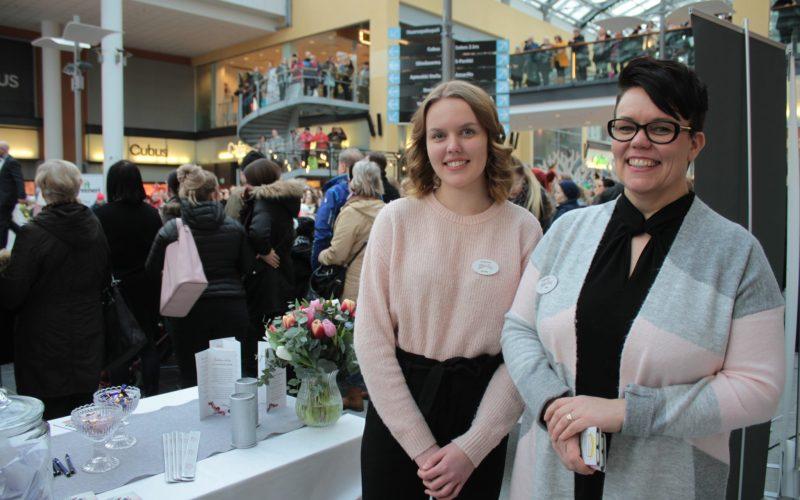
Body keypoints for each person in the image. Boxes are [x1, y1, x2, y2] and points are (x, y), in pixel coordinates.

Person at [501, 57, 785, 499]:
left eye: (661, 128)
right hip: (549, 475)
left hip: (666, 483)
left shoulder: (736, 254)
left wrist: (626, 413)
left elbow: (758, 388)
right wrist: (554, 406)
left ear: (695, 144)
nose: (639, 142)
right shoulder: (567, 231)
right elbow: (518, 329)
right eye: (626, 127)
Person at [354, 80, 542, 499]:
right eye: (438, 135)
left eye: (467, 131)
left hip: (480, 420)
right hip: (398, 415)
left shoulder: (523, 229)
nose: (452, 147)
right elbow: (371, 339)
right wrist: (422, 450)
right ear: (424, 146)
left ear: (490, 138)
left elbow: (525, 349)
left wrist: (472, 448)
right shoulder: (395, 220)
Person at [0, 160, 109, 419]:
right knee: (83, 416)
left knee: (48, 418)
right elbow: (104, 278)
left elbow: (12, 294)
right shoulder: (94, 226)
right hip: (88, 335)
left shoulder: (33, 234)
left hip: (43, 344)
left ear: (44, 190)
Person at [146, 164, 253, 388]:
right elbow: (247, 266)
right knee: (231, 377)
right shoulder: (234, 228)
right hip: (230, 306)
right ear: (215, 193)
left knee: (191, 378)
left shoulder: (171, 229)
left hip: (187, 308)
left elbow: (151, 269)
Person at [94, 160, 164, 396]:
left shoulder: (101, 215)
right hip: (147, 286)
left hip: (117, 287)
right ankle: (152, 394)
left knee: (120, 347)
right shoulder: (151, 214)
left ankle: (120, 398)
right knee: (148, 344)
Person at [237, 159, 303, 377]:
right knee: (279, 331)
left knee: (261, 332)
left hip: (265, 279)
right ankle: (280, 380)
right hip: (282, 273)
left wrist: (263, 251)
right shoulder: (282, 200)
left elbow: (258, 232)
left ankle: (264, 379)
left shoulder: (264, 201)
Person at [318, 158, 384, 301]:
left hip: (354, 288)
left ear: (355, 182)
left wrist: (321, 255)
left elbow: (337, 254)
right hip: (380, 285)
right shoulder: (386, 210)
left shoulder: (351, 213)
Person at [311, 148, 364, 270]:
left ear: (343, 166)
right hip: (363, 260)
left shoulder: (335, 192)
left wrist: (316, 263)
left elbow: (323, 229)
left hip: (336, 260)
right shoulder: (375, 193)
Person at [509, 159, 554, 232]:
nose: (512, 188)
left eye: (516, 182)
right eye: (508, 184)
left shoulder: (535, 198)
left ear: (523, 179)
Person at [0, 141, 25, 249]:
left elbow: (18, 179)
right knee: (5, 221)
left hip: (8, 198)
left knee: (3, 222)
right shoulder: (3, 162)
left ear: (3, 149)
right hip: (2, 197)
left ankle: (2, 247)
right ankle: (24, 234)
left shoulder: (12, 162)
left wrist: (21, 196)